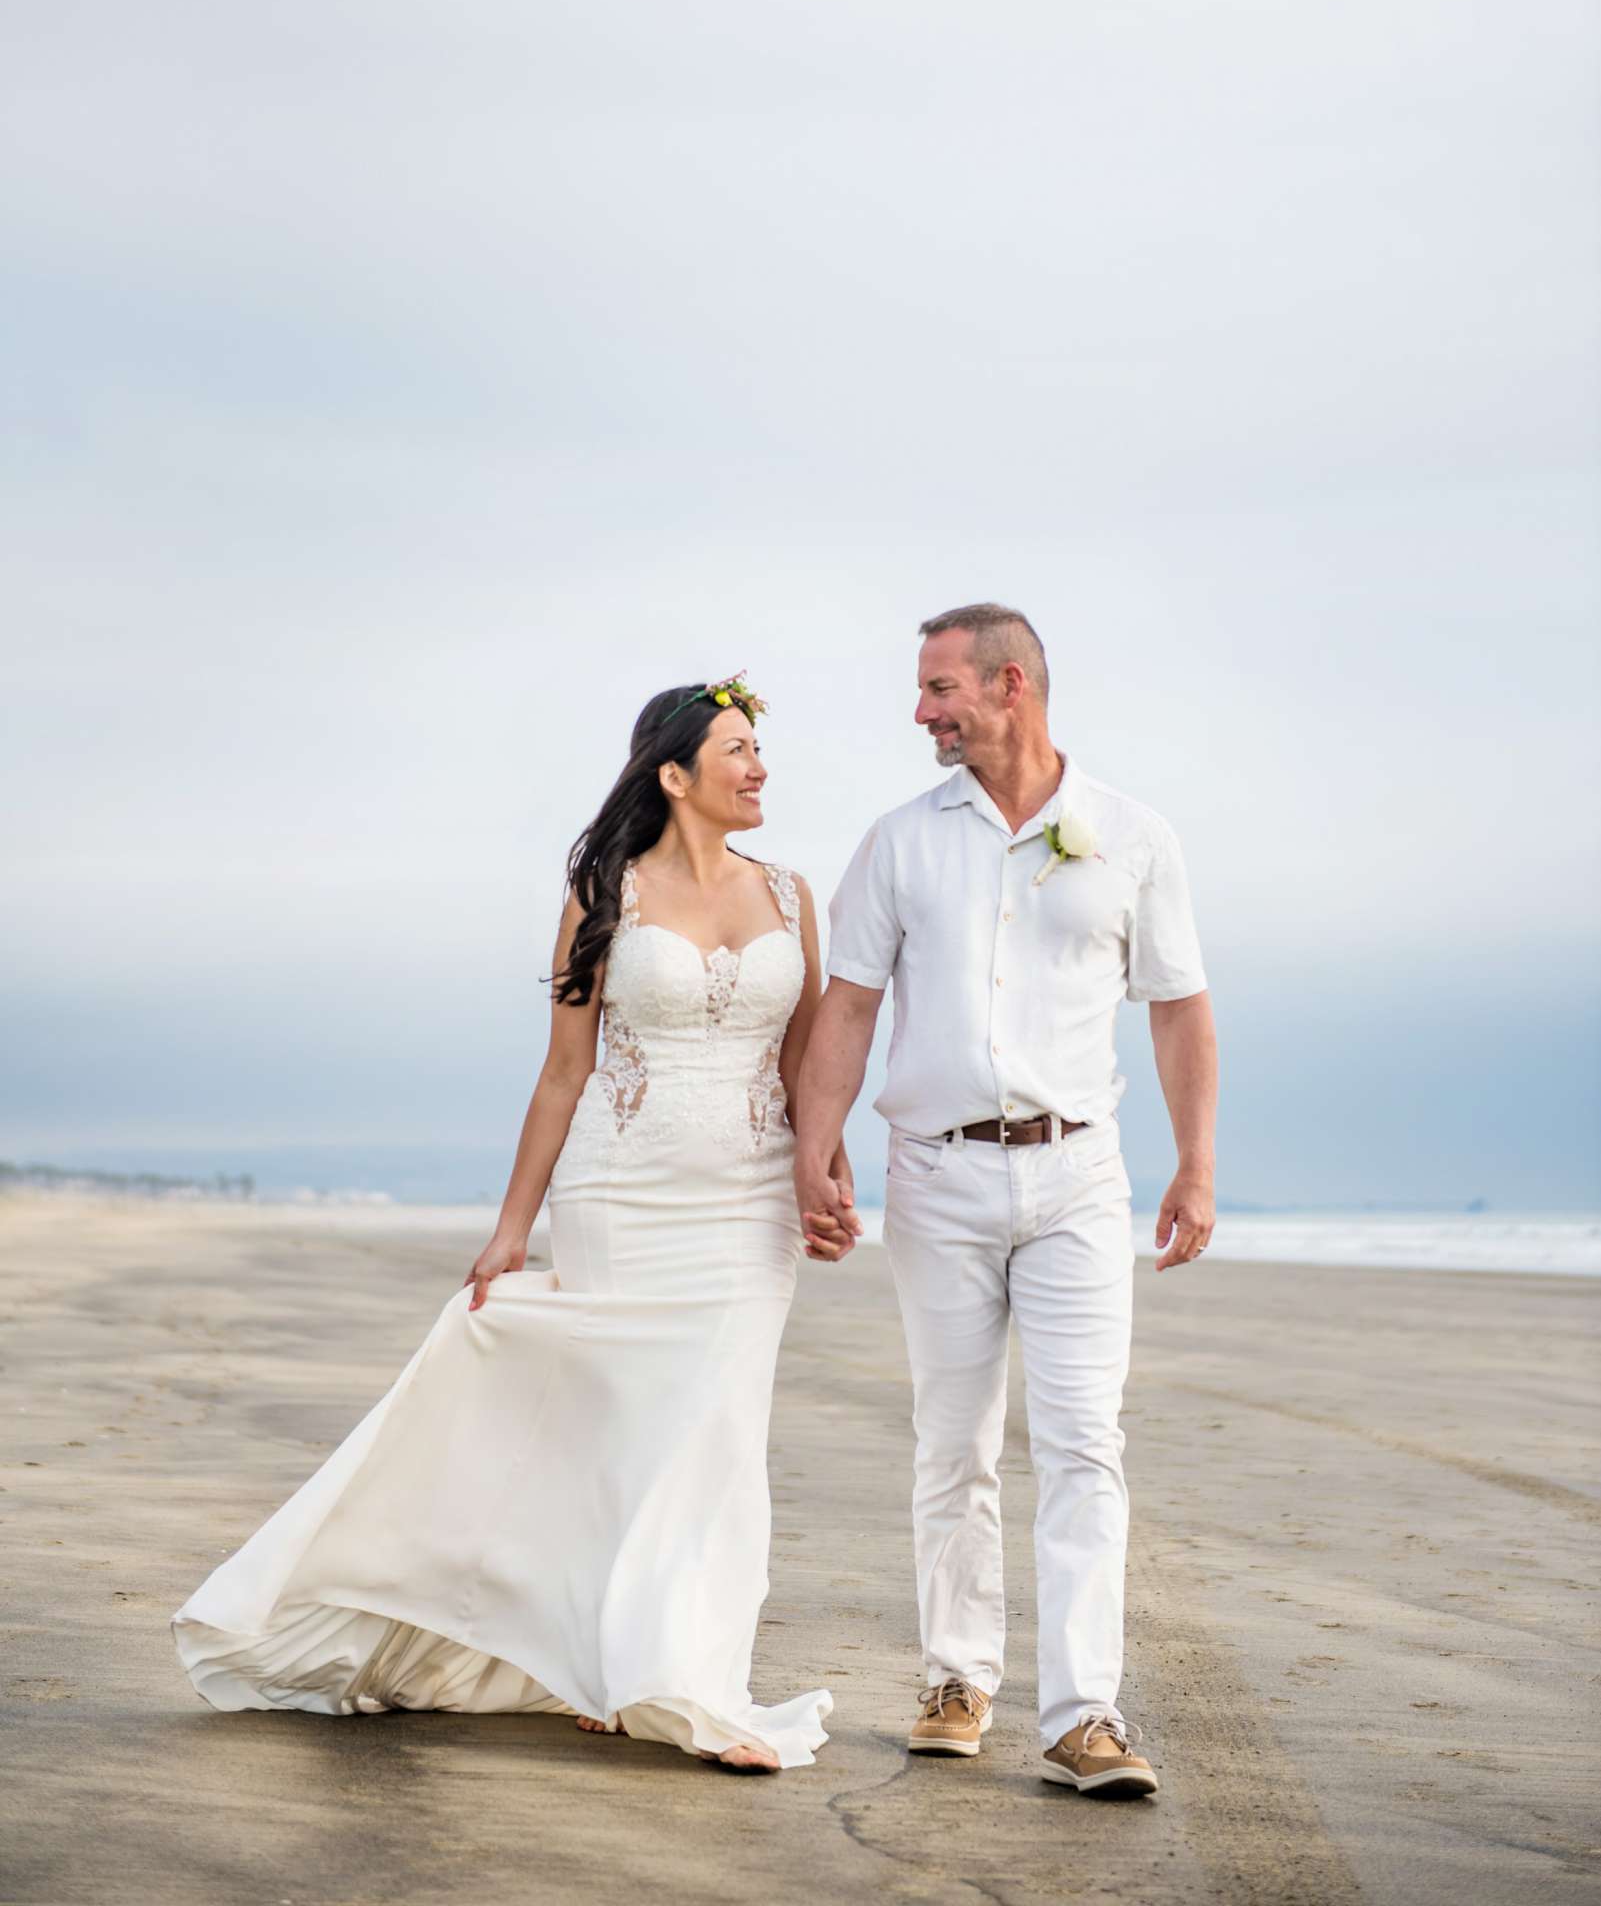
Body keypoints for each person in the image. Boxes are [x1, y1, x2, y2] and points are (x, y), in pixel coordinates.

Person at [174, 674, 847, 1772]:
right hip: (620, 1195)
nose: (758, 767)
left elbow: (803, 1059)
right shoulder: (603, 896)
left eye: (757, 751)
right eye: (736, 749)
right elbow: (562, 1075)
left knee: (716, 1434)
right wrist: (510, 1231)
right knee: (619, 1437)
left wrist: (822, 1177)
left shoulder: (792, 895)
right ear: (674, 776)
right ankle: (608, 1661)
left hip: (747, 1204)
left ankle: (682, 1676)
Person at [794, 604, 1217, 1797]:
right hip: (934, 1173)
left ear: (1009, 685)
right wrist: (814, 1149)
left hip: (1079, 1172)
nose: (921, 711)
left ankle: (1084, 1713)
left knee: (1085, 1443)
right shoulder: (897, 842)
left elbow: (1178, 1006)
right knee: (953, 1439)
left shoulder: (1129, 835)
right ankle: (955, 1679)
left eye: (938, 689)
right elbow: (849, 1006)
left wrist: (1196, 1162)